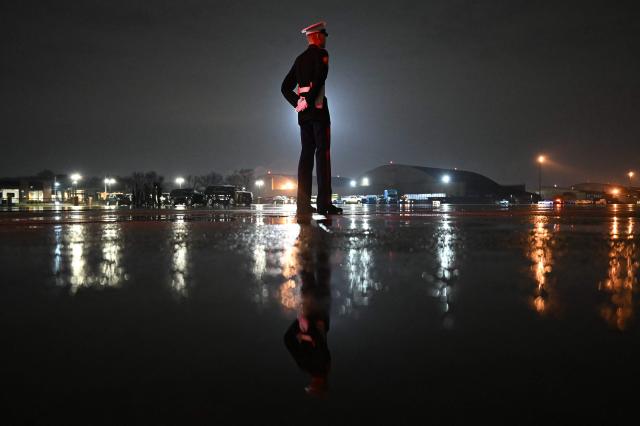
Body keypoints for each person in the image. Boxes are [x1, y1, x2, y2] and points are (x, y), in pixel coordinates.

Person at [281, 21, 343, 216]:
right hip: (317, 108)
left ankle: (303, 204)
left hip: (303, 113)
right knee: (322, 154)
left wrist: (298, 103)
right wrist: (308, 100)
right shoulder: (322, 55)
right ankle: (324, 203)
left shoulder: (299, 59)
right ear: (316, 36)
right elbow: (320, 78)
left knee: (306, 154)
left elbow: (284, 87)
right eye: (323, 35)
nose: (325, 38)